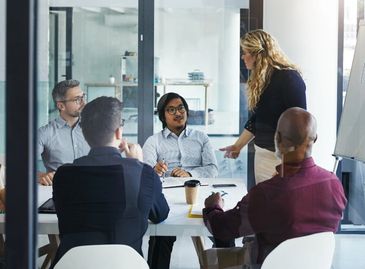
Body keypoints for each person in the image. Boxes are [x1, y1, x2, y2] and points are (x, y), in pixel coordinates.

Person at [203, 107, 347, 267]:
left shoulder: (267, 193)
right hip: (315, 264)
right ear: (315, 139)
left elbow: (221, 229)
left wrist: (213, 207)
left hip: (267, 263)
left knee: (211, 258)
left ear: (277, 139)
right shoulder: (334, 184)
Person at [52, 96, 169, 266]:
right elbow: (160, 214)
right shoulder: (142, 173)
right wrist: (139, 164)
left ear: (84, 134)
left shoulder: (63, 175)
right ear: (118, 132)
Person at [143, 92, 218, 269]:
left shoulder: (201, 138)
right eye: (171, 110)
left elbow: (213, 169)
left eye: (181, 108)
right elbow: (145, 176)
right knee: (161, 236)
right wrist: (156, 172)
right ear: (163, 116)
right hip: (168, 201)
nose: (178, 113)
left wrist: (189, 174)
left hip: (200, 198)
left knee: (223, 231)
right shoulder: (153, 141)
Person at [221, 30, 307, 184]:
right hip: (262, 154)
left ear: (258, 55)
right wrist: (237, 146)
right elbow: (258, 119)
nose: (242, 57)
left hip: (281, 159)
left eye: (245, 52)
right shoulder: (262, 80)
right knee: (265, 204)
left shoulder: (289, 77)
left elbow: (301, 124)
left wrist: (289, 165)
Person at [37, 79, 90, 186]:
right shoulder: (44, 133)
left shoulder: (94, 129)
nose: (84, 103)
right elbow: (22, 166)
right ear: (61, 106)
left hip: (93, 191)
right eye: (77, 99)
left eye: (83, 97)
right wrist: (41, 176)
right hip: (61, 194)